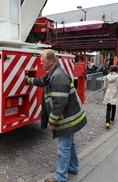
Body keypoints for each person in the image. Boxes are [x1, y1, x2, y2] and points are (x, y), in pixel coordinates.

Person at [25, 49, 87, 182]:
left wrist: (52, 121)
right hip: (71, 116)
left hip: (68, 119)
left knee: (63, 148)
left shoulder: (58, 76)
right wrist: (29, 80)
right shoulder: (53, 73)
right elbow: (43, 81)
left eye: (43, 61)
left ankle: (60, 178)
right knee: (70, 144)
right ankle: (73, 167)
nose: (41, 64)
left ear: (51, 61)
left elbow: (59, 103)